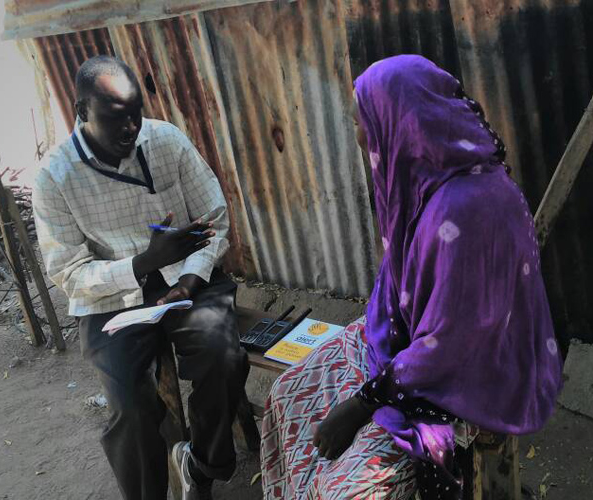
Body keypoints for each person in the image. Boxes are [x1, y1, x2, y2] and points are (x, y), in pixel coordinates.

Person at [261, 55, 563, 499]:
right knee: (287, 393)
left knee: (347, 491)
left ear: (401, 121)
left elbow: (453, 345)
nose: (361, 135)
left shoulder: (469, 208)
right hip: (416, 348)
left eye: (364, 121)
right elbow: (399, 289)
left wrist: (363, 403)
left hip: (481, 371)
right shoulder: (429, 182)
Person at [32, 55, 248, 500]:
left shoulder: (165, 139)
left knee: (223, 359)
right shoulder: (54, 177)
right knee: (131, 406)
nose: (131, 127)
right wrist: (142, 264)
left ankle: (201, 466)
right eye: (117, 119)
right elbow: (69, 275)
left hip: (185, 277)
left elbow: (214, 217)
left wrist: (189, 278)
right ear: (81, 112)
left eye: (136, 112)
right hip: (113, 296)